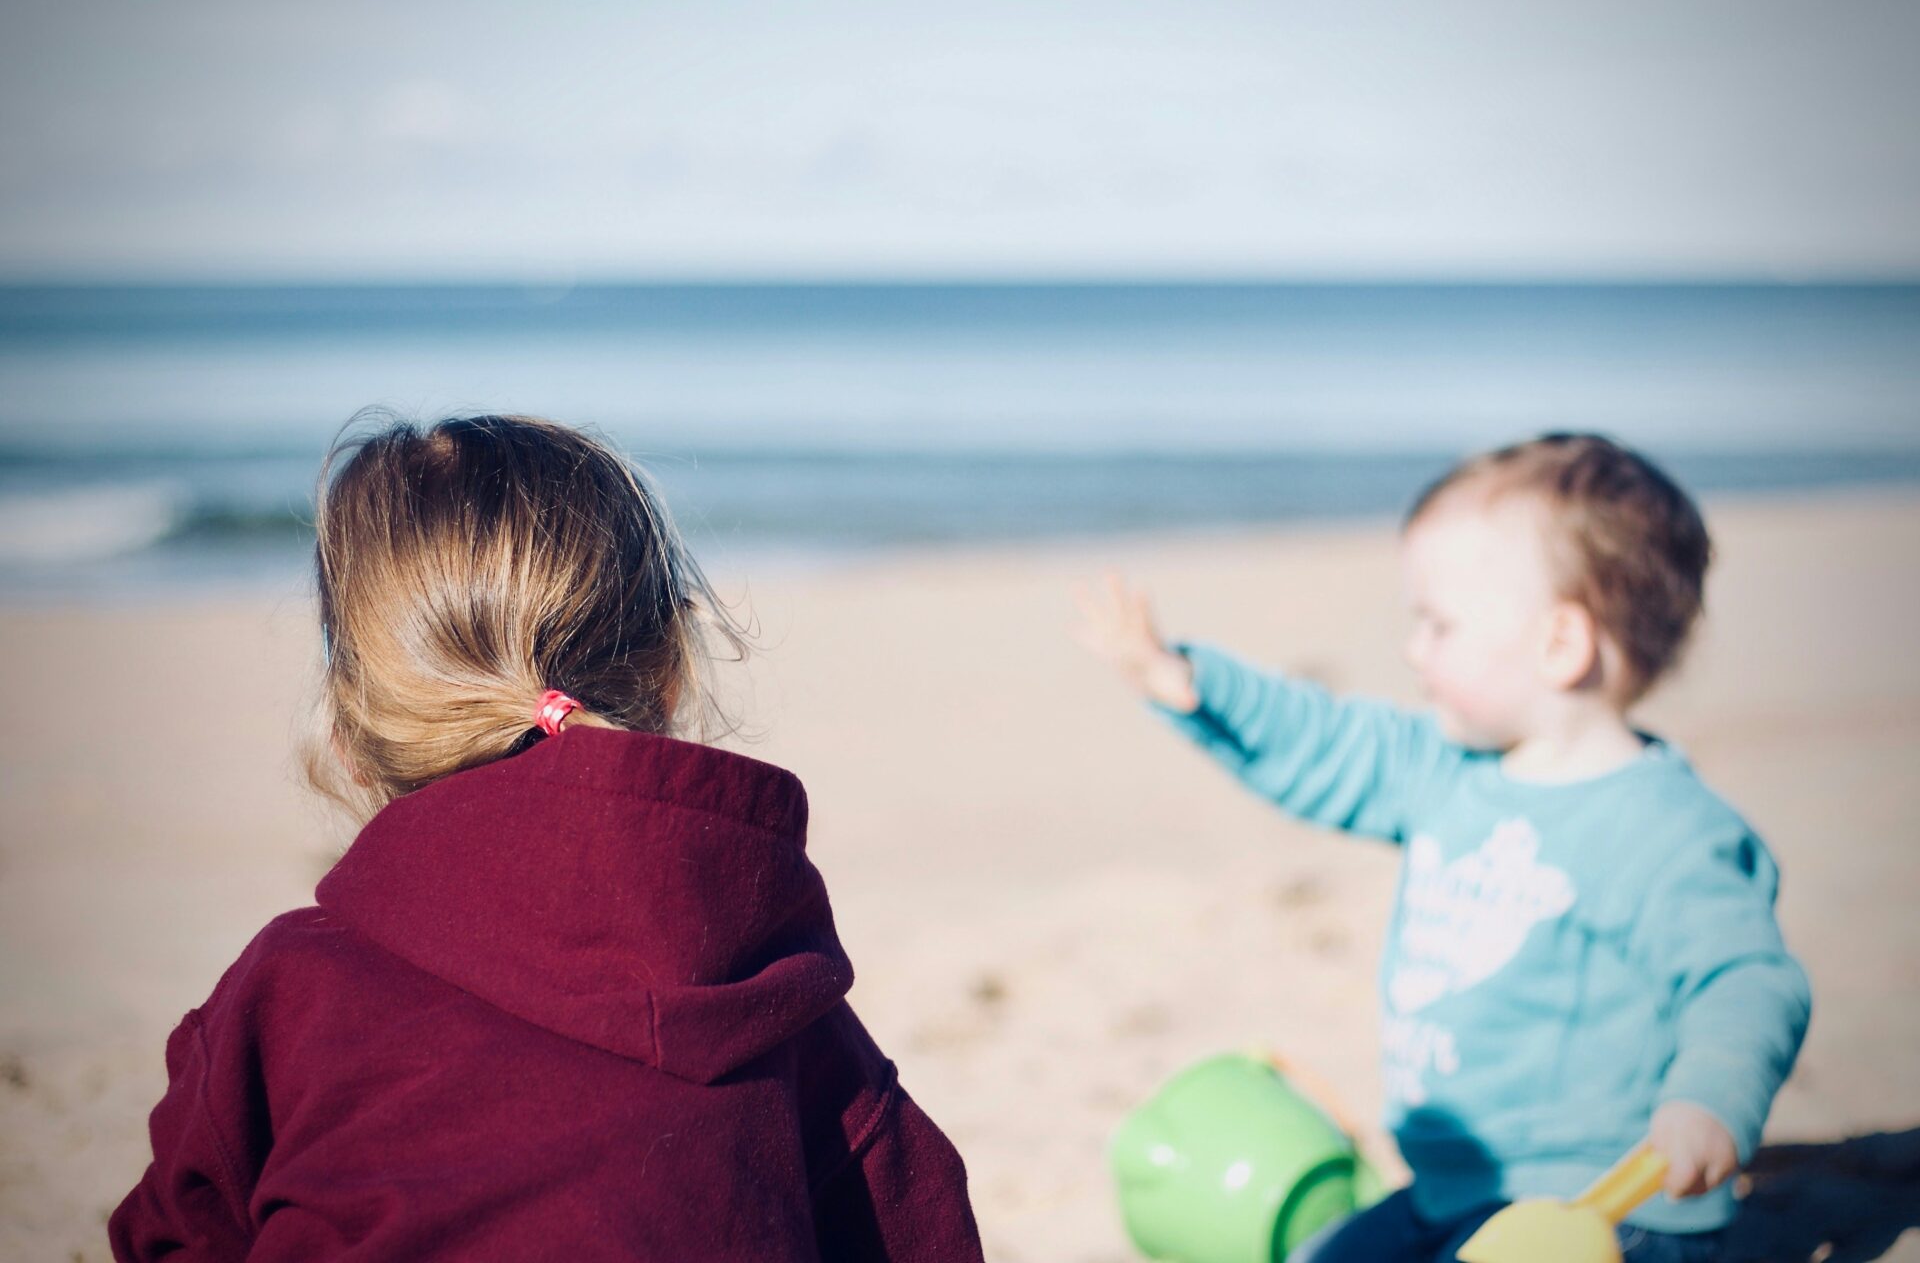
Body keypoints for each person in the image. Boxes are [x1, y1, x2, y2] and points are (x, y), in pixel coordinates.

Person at [111, 413, 984, 1262]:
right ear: (674, 668)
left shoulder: (290, 991)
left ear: (351, 728)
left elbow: (173, 1235)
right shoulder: (775, 997)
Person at [1074, 432, 1811, 1262]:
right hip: (1449, 1190)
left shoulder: (1666, 831)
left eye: (1439, 625)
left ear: (1560, 644)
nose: (1411, 649)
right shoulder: (1445, 770)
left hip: (1606, 1210)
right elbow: (1326, 741)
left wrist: (1711, 1099)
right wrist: (1194, 685)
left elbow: (1746, 979)